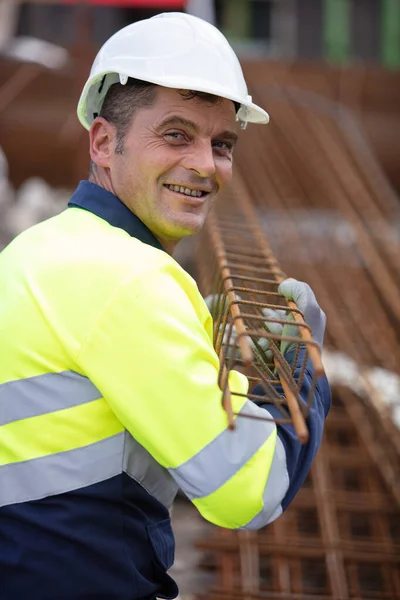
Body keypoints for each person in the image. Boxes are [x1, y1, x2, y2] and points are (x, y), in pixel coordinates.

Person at [0, 12, 331, 600]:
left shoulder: (37, 249)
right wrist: (303, 373)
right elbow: (249, 491)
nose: (205, 164)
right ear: (103, 142)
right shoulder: (130, 279)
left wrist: (192, 333)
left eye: (221, 143)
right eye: (176, 135)